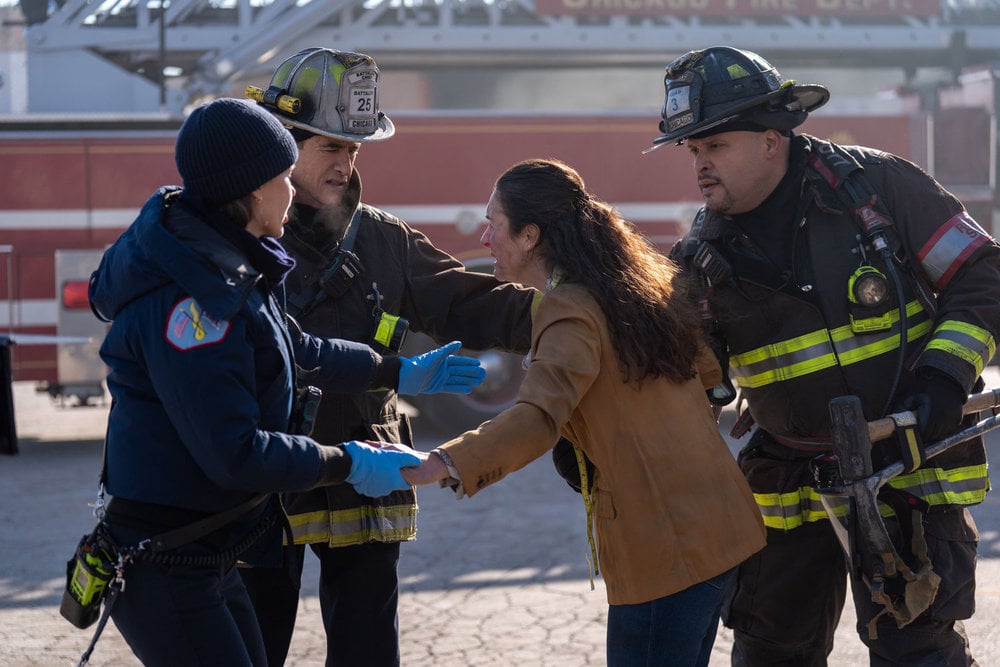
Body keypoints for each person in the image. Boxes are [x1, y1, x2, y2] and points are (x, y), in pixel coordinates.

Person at [85, 97, 486, 666]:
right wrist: (347, 460)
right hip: (170, 560)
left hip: (209, 549)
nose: (292, 192)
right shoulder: (195, 304)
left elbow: (298, 347)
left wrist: (398, 371)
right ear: (252, 192)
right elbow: (236, 453)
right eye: (281, 178)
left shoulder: (232, 262)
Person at [651, 46, 1000, 665]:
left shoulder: (880, 190)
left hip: (907, 467)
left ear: (770, 137)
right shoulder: (699, 261)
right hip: (788, 485)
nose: (700, 165)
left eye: (715, 146)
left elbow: (984, 277)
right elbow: (688, 388)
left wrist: (944, 379)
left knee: (918, 653)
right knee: (771, 655)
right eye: (693, 150)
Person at [401, 158, 767, 666]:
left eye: (494, 223)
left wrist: (443, 461)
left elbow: (537, 416)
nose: (485, 238)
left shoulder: (568, 307)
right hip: (719, 527)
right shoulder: (631, 287)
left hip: (669, 547)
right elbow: (708, 378)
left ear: (529, 236)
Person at [238, 48, 537, 666]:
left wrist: (566, 316)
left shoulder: (384, 241)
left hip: (366, 469)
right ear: (283, 147)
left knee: (368, 647)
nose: (346, 165)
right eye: (331, 149)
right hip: (270, 472)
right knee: (253, 643)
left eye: (354, 151)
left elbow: (467, 302)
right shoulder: (242, 237)